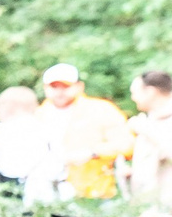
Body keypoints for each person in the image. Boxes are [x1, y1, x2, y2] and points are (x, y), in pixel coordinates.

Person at [37, 63, 127, 201]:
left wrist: (92, 152)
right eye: (54, 87)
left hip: (95, 194)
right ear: (45, 88)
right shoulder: (39, 115)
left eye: (66, 86)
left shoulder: (101, 109)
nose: (60, 91)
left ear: (79, 86)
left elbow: (126, 144)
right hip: (49, 192)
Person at [124, 71, 172, 205]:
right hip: (148, 206)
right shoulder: (148, 120)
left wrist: (147, 131)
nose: (133, 98)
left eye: (135, 92)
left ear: (150, 91)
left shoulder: (146, 127)